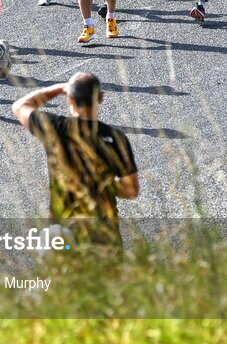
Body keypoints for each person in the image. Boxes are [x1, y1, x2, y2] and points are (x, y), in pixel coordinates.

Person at [11, 71, 139, 247]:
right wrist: (104, 183)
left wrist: (59, 88)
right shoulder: (116, 138)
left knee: (66, 272)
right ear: (100, 98)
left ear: (70, 99)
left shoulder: (55, 128)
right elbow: (131, 191)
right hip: (104, 231)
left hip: (64, 231)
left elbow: (20, 106)